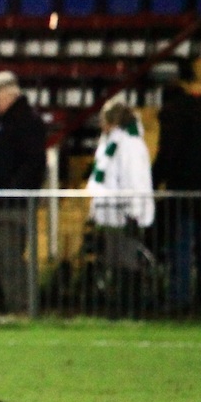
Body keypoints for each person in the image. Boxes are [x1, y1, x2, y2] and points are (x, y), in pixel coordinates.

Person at [154, 84, 201, 311]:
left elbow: (167, 155)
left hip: (185, 194)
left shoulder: (174, 116)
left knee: (182, 246)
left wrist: (153, 182)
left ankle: (180, 298)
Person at [0, 72, 47, 314]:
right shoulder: (9, 121)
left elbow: (33, 164)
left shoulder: (24, 122)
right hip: (4, 202)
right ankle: (17, 306)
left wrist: (12, 190)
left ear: (10, 93)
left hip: (12, 204)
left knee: (10, 261)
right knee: (5, 260)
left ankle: (23, 307)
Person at [84, 99, 155, 316]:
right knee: (115, 260)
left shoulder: (130, 144)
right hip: (112, 213)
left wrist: (134, 211)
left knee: (127, 261)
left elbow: (135, 180)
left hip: (124, 213)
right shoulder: (111, 143)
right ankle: (119, 307)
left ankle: (131, 307)